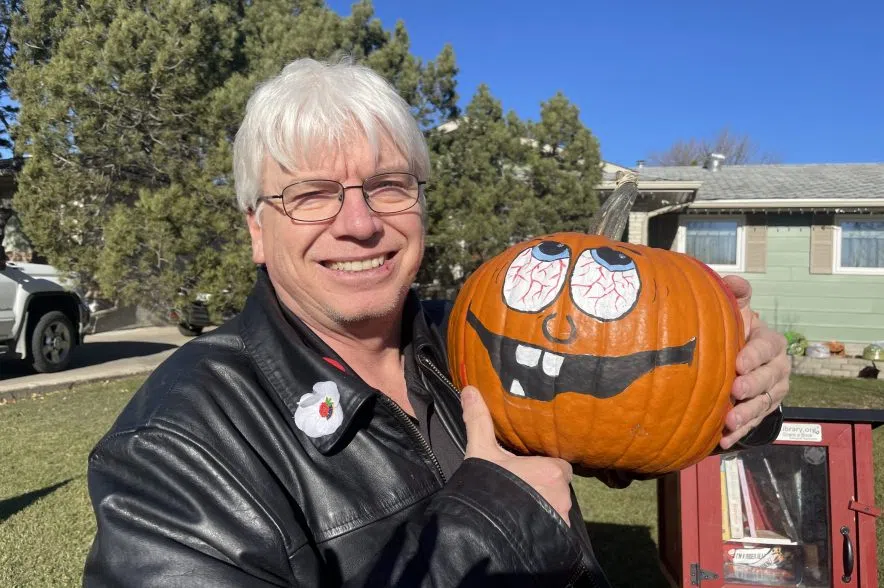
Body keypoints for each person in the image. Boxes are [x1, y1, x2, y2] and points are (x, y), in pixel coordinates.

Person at [83, 58, 790, 587]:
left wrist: (741, 389)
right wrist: (493, 523)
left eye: (388, 185)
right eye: (311, 195)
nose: (359, 223)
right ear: (257, 230)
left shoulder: (475, 340)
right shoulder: (176, 445)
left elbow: (626, 421)